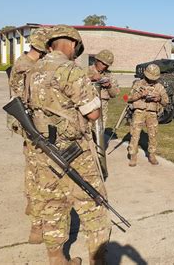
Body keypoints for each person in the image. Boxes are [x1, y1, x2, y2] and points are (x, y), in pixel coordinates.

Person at [28, 25, 111, 264]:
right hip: (74, 151)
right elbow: (93, 114)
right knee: (93, 203)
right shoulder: (70, 70)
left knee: (53, 205)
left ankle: (57, 259)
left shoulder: (32, 71)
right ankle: (98, 259)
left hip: (44, 150)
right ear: (73, 45)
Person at [8, 27, 50, 244]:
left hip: (27, 124)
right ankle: (37, 225)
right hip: (33, 125)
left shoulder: (21, 62)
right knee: (39, 172)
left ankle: (31, 204)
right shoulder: (29, 66)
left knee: (31, 167)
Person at [126, 63, 169, 167]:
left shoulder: (159, 87)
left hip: (152, 113)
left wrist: (158, 98)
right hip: (139, 112)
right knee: (135, 134)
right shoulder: (137, 84)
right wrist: (140, 94)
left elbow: (166, 102)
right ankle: (133, 155)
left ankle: (152, 155)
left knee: (153, 134)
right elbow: (127, 98)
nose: (152, 80)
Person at [87, 49, 120, 127]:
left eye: (107, 65)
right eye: (102, 63)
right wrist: (90, 79)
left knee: (100, 133)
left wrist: (109, 86)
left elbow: (114, 94)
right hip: (87, 107)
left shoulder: (110, 75)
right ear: (97, 60)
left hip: (102, 110)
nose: (104, 66)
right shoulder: (86, 71)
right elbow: (74, 87)